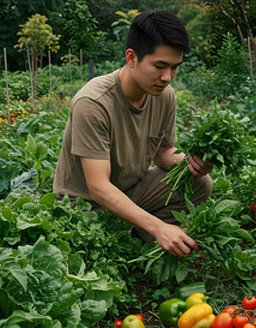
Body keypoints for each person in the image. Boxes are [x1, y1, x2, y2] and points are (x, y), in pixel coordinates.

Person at [53, 10, 213, 257]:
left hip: (129, 190)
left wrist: (191, 163)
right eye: (160, 66)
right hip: (85, 209)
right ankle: (142, 236)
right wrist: (159, 226)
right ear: (131, 57)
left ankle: (138, 239)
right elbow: (98, 187)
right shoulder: (93, 102)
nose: (167, 77)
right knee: (91, 249)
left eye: (174, 67)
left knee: (198, 182)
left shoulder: (163, 95)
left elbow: (163, 153)